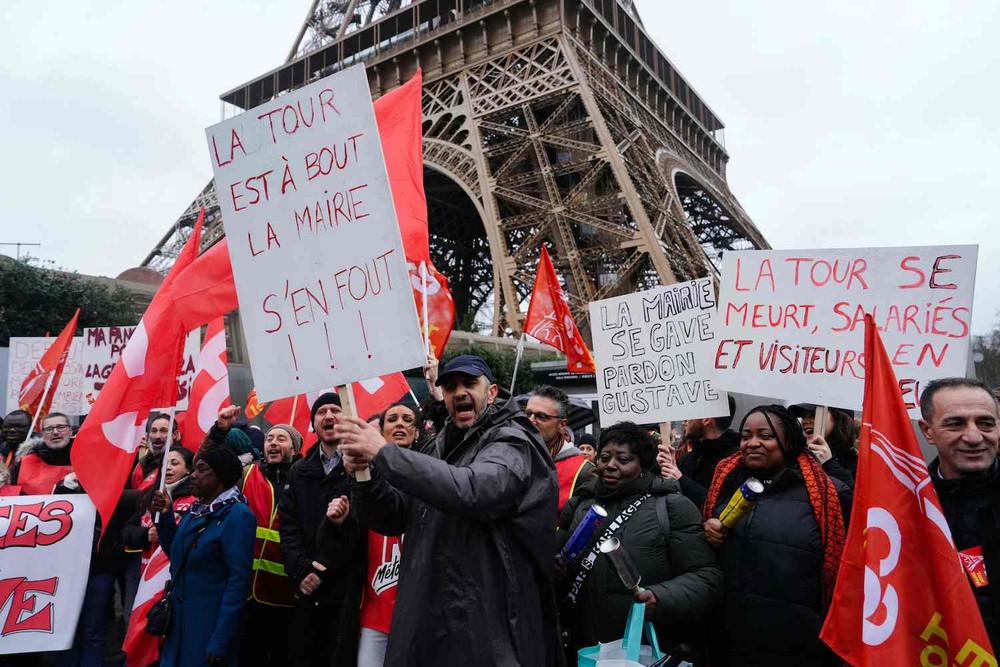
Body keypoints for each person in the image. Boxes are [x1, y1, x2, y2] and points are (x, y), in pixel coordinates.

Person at [336, 354, 561, 666]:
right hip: (435, 613)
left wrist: (385, 453)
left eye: (470, 384)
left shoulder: (513, 440)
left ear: (492, 392)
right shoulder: (440, 444)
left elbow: (475, 490)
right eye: (451, 386)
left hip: (486, 622)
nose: (459, 393)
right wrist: (367, 477)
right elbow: (396, 516)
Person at [557, 422, 722, 661]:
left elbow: (707, 577)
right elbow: (559, 564)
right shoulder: (580, 505)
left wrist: (660, 596)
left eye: (623, 460)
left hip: (642, 648)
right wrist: (556, 570)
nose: (611, 466)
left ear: (643, 464)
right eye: (604, 457)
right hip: (584, 646)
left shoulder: (671, 507)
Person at [703, 404, 850, 667]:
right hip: (728, 639)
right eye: (746, 436)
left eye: (765, 436)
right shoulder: (724, 484)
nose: (752, 443)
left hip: (797, 643)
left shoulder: (830, 496)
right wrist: (709, 531)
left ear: (789, 441)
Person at [320, 403, 420, 667]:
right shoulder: (360, 478)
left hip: (419, 610)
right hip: (373, 611)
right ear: (381, 433)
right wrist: (338, 524)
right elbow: (340, 553)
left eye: (407, 419)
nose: (399, 424)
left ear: (418, 432)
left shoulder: (432, 474)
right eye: (392, 419)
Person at [278, 392, 362, 666]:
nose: (328, 416)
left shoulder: (360, 467)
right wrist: (302, 571)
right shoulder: (299, 471)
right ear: (313, 423)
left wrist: (323, 566)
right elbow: (288, 527)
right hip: (307, 589)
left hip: (346, 589)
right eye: (321, 411)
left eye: (334, 410)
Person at [151, 447, 256, 666]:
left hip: (207, 628)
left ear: (220, 476)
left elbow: (238, 583)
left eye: (202, 470)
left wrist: (221, 639)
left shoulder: (238, 516)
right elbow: (177, 555)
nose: (193, 475)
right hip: (179, 625)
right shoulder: (195, 510)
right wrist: (165, 515)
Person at [920, 378, 1000, 649]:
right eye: (955, 423)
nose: (975, 436)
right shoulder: (904, 506)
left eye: (986, 423)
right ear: (927, 431)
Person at [240, 422, 304, 667]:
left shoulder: (304, 481)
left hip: (286, 595)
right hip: (247, 593)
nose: (274, 443)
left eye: (282, 439)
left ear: (295, 449)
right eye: (269, 439)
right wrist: (219, 431)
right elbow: (209, 467)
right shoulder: (246, 475)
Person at [658, 395, 738, 509]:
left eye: (690, 414)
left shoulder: (736, 461)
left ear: (706, 420)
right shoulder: (687, 458)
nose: (684, 422)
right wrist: (666, 465)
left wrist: (680, 479)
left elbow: (723, 507)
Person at [526, 385, 597, 512]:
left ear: (561, 424)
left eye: (541, 416)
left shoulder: (583, 471)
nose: (531, 421)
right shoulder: (513, 459)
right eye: (528, 414)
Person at [790, 403, 859, 482]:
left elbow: (851, 493)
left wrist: (829, 465)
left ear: (839, 418)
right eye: (803, 417)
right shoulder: (795, 456)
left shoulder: (860, 462)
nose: (804, 421)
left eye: (814, 414)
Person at [11, 412, 74, 495]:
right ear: (42, 434)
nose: (55, 432)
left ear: (70, 431)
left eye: (61, 427)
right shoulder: (24, 463)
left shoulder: (88, 459)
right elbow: (10, 494)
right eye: (49, 429)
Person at [130, 412, 181, 491]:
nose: (157, 436)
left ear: (175, 434)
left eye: (163, 431)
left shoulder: (180, 461)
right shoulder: (141, 463)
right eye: (153, 431)